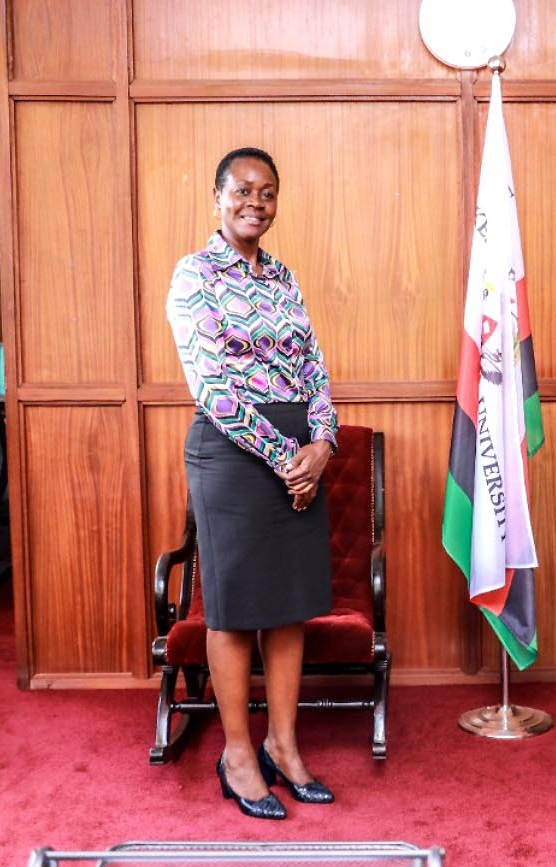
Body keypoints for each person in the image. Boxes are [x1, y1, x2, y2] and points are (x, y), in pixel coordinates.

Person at [166, 147, 338, 821]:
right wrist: (284, 455)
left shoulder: (285, 277)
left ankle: (284, 744)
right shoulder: (195, 274)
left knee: (289, 606)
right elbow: (212, 385)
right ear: (217, 197)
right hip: (234, 456)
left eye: (268, 192)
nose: (256, 202)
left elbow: (315, 369)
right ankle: (238, 754)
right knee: (236, 610)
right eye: (243, 190)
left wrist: (321, 444)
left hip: (297, 452)